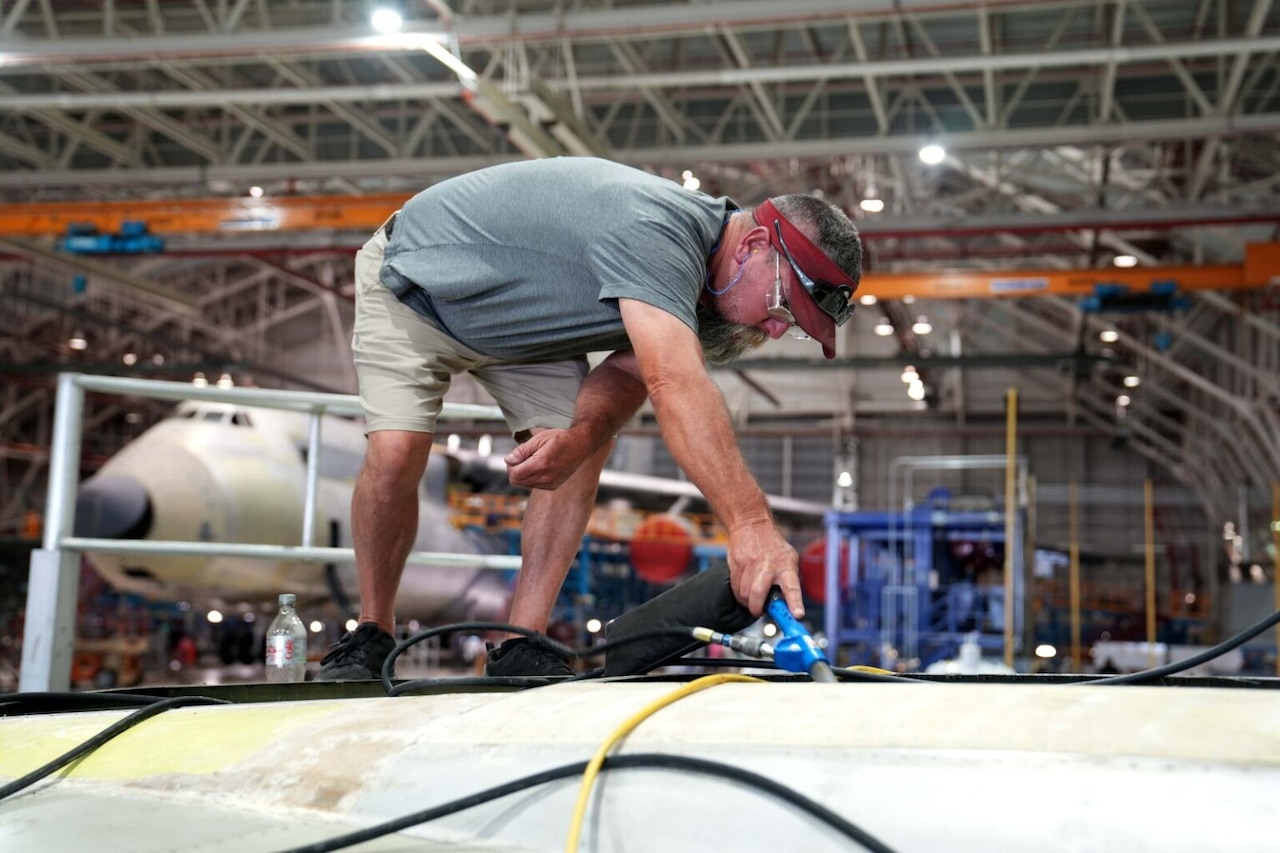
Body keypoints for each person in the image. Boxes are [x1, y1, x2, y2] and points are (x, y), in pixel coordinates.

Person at [316, 156, 861, 681]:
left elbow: (630, 374)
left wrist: (577, 439)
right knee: (396, 453)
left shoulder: (709, 288)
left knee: (579, 454)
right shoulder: (656, 231)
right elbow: (674, 382)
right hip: (418, 287)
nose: (773, 329)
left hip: (528, 333)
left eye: (788, 325)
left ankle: (520, 641)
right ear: (755, 245)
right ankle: (372, 630)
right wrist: (752, 526)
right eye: (783, 305)